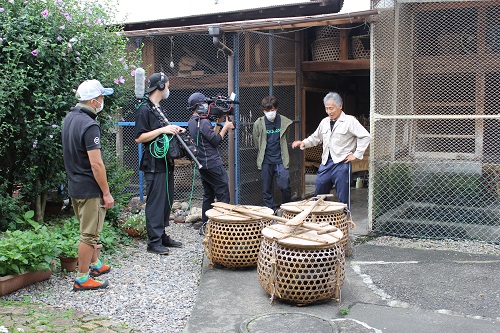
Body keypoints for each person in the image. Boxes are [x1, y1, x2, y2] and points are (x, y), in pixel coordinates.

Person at [62, 79, 114, 291]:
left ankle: (94, 265)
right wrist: (106, 192)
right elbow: (96, 164)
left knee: (91, 229)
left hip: (74, 185)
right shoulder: (90, 125)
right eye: (101, 98)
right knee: (89, 235)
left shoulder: (70, 119)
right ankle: (82, 278)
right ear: (93, 101)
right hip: (89, 188)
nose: (103, 102)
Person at [292, 92, 371, 207]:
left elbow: (365, 136)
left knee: (343, 196)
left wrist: (356, 154)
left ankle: (344, 219)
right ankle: (317, 218)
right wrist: (303, 142)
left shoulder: (350, 121)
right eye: (327, 108)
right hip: (326, 163)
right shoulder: (324, 122)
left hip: (342, 163)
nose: (329, 112)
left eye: (331, 108)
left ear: (340, 106)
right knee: (319, 193)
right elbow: (315, 138)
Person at [134, 72, 184, 255]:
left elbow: (161, 132)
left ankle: (161, 234)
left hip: (165, 162)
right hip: (153, 164)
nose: (169, 89)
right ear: (161, 86)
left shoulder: (159, 108)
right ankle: (153, 242)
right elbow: (139, 138)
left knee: (166, 200)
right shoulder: (144, 109)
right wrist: (164, 129)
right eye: (168, 85)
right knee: (155, 202)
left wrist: (173, 130)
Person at [187, 92, 234, 234]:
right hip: (213, 164)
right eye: (204, 103)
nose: (207, 106)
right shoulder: (204, 122)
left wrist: (219, 123)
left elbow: (210, 135)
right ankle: (223, 228)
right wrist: (226, 127)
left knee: (208, 195)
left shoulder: (192, 121)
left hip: (202, 164)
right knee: (223, 194)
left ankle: (206, 226)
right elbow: (215, 141)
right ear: (199, 106)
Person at [252, 96, 293, 211]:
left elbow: (286, 138)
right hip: (266, 160)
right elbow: (256, 141)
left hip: (280, 159)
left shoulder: (283, 121)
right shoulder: (258, 123)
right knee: (266, 189)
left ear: (276, 108)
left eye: (272, 110)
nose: (270, 113)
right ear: (263, 110)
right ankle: (271, 211)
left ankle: (287, 209)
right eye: (267, 110)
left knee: (285, 186)